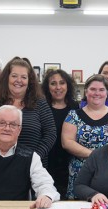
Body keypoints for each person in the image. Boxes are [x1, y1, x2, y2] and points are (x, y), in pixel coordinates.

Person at [0, 56, 56, 168]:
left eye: (24, 77)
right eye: (14, 76)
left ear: (29, 81)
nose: (19, 80)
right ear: (7, 78)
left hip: (32, 167)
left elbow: (50, 134)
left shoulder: (40, 103)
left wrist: (34, 157)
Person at [62, 74, 108, 199]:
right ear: (86, 91)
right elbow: (67, 142)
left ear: (107, 93)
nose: (97, 93)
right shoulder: (74, 115)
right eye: (93, 89)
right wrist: (94, 155)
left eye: (101, 90)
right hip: (80, 174)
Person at [41, 69, 79, 199]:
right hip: (46, 163)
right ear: (47, 87)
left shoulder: (76, 107)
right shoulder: (41, 107)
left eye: (62, 83)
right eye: (53, 83)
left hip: (69, 162)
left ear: (68, 85)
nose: (58, 87)